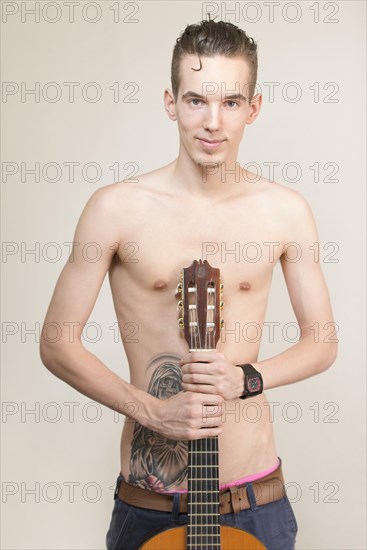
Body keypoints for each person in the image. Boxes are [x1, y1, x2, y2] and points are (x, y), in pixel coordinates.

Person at [40, 18, 337, 550]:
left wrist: (246, 377)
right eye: (196, 100)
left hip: (255, 503)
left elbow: (323, 343)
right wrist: (151, 409)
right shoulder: (116, 209)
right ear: (170, 102)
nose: (212, 122)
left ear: (254, 108)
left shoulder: (285, 212)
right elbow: (56, 343)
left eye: (230, 102)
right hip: (150, 504)